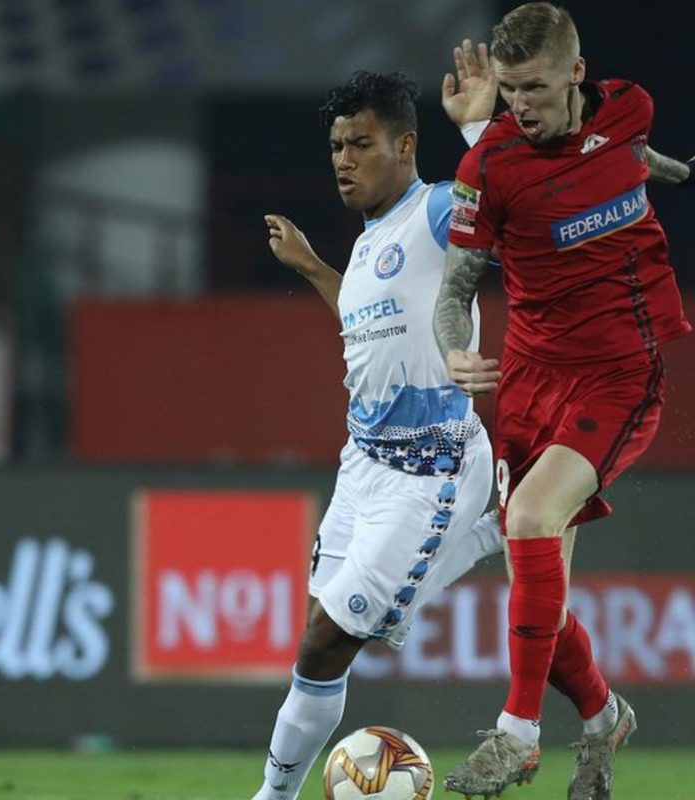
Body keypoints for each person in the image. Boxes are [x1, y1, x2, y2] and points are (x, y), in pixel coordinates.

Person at [433, 4, 693, 800]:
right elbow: (454, 294)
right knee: (539, 589)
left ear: (577, 74)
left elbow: (628, 155)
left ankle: (516, 736)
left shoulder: (630, 108)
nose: (520, 105)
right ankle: (605, 717)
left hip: (619, 374)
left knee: (530, 519)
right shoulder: (487, 169)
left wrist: (678, 172)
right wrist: (454, 352)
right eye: (509, 90)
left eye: (536, 88)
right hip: (528, 381)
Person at [249, 50, 508, 800]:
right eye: (337, 146)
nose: (344, 159)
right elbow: (365, 327)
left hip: (428, 470)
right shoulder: (368, 242)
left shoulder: (436, 211)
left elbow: (505, 203)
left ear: (405, 144)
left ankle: (272, 796)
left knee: (327, 642)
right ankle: (486, 533)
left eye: (361, 143)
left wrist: (481, 129)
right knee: (319, 632)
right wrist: (312, 268)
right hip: (362, 462)